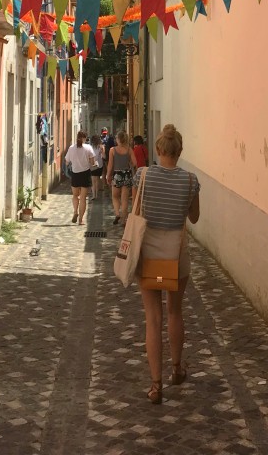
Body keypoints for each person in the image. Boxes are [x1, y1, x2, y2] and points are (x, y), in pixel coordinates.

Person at [132, 124, 200, 405]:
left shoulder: (143, 176)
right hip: (176, 255)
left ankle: (156, 385)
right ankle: (176, 369)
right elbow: (194, 218)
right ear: (180, 151)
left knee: (153, 318)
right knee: (174, 312)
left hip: (148, 253)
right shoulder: (190, 181)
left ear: (158, 150)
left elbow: (135, 211)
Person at [64, 131, 97, 224]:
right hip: (85, 174)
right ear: (85, 138)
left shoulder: (71, 148)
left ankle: (75, 212)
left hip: (75, 174)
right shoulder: (88, 148)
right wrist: (94, 163)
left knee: (75, 195)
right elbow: (92, 162)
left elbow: (66, 162)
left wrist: (72, 163)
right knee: (83, 198)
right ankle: (81, 220)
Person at [105, 131, 136, 225]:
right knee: (124, 198)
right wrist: (129, 164)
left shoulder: (112, 150)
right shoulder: (129, 150)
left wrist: (108, 175)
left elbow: (110, 165)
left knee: (115, 196)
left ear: (118, 139)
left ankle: (117, 213)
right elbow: (134, 163)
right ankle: (124, 220)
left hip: (116, 174)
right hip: (126, 174)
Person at [90, 134, 106, 202]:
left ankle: (94, 195)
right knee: (97, 179)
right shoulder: (101, 147)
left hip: (92, 165)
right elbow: (104, 157)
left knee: (93, 180)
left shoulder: (90, 147)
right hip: (99, 165)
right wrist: (102, 151)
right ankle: (96, 194)